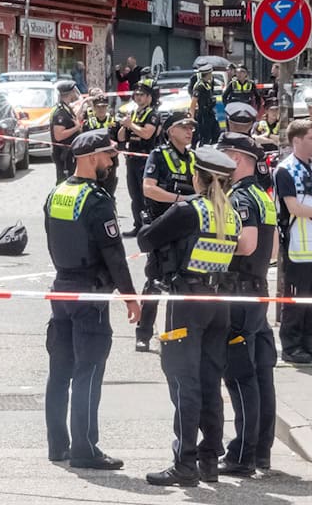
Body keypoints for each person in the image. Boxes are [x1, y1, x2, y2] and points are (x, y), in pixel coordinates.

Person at [138, 145, 241, 487]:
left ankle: (184, 463)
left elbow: (146, 239)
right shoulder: (232, 214)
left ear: (198, 177)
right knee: (210, 383)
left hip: (187, 302)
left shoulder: (190, 210)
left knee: (185, 384)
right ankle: (210, 459)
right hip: (218, 304)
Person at [44, 130, 141, 470]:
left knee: (60, 372)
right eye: (107, 156)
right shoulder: (97, 200)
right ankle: (85, 449)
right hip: (89, 294)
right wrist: (130, 297)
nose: (112, 162)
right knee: (88, 371)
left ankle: (58, 445)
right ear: (89, 158)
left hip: (62, 289)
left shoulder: (57, 193)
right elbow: (114, 254)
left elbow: (52, 241)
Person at [216, 133, 279, 476]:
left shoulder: (239, 196)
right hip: (257, 289)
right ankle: (260, 452)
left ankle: (241, 454)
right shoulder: (262, 195)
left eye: (225, 155)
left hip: (238, 293)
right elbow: (271, 252)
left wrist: (210, 244)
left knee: (240, 377)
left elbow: (248, 244)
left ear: (238, 159)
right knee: (260, 374)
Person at [274, 120, 312, 364]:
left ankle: (307, 341)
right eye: (311, 138)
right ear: (296, 141)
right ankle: (291, 345)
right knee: (297, 301)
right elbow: (293, 207)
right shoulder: (285, 170)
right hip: (298, 246)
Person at [136, 113, 196, 352]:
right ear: (170, 131)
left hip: (188, 226)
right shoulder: (158, 156)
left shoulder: (194, 157)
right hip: (162, 223)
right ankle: (143, 333)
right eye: (183, 127)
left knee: (184, 280)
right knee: (154, 279)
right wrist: (181, 199)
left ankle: (181, 333)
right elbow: (149, 189)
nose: (189, 131)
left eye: (191, 127)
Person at [118, 78, 161, 235]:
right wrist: (124, 125)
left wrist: (131, 125)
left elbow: (147, 134)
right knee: (134, 194)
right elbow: (121, 137)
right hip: (132, 159)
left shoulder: (153, 114)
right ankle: (138, 225)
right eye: (136, 95)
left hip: (146, 159)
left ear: (149, 97)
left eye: (142, 95)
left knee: (147, 195)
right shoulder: (133, 113)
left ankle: (150, 225)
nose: (138, 97)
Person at [83, 94, 120, 196]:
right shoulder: (89, 123)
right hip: (94, 164)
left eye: (103, 106)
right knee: (93, 192)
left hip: (110, 163)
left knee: (109, 192)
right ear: (94, 108)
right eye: (98, 107)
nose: (101, 109)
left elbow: (120, 142)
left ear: (107, 107)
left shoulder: (114, 122)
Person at [50, 80, 84, 183]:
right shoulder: (61, 112)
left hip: (69, 153)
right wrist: (76, 128)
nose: (75, 93)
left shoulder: (66, 108)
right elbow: (59, 135)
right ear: (70, 93)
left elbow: (70, 120)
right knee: (64, 182)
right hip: (63, 154)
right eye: (74, 91)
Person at [190, 65, 219, 146]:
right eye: (210, 73)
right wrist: (191, 117)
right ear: (208, 74)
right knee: (205, 137)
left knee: (216, 133)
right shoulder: (199, 86)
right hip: (203, 114)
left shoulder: (207, 84)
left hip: (210, 112)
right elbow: (193, 102)